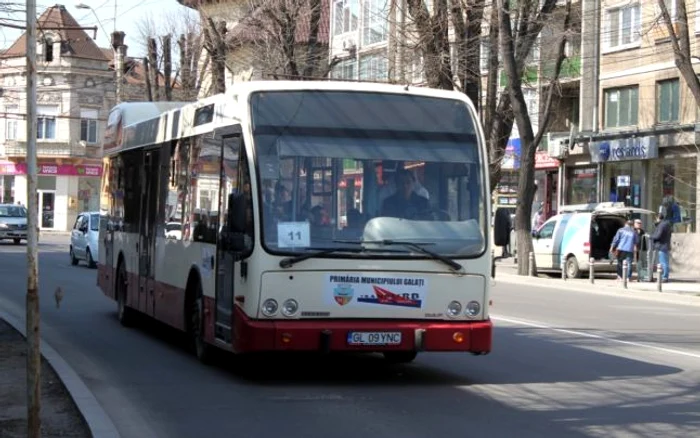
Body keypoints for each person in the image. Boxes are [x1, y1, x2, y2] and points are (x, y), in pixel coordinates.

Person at [649, 212, 672, 282]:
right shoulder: (666, 225)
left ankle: (664, 277)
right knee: (664, 262)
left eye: (656, 218)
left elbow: (658, 235)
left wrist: (650, 236)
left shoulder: (662, 225)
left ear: (658, 218)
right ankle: (664, 276)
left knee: (663, 262)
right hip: (665, 245)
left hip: (662, 246)